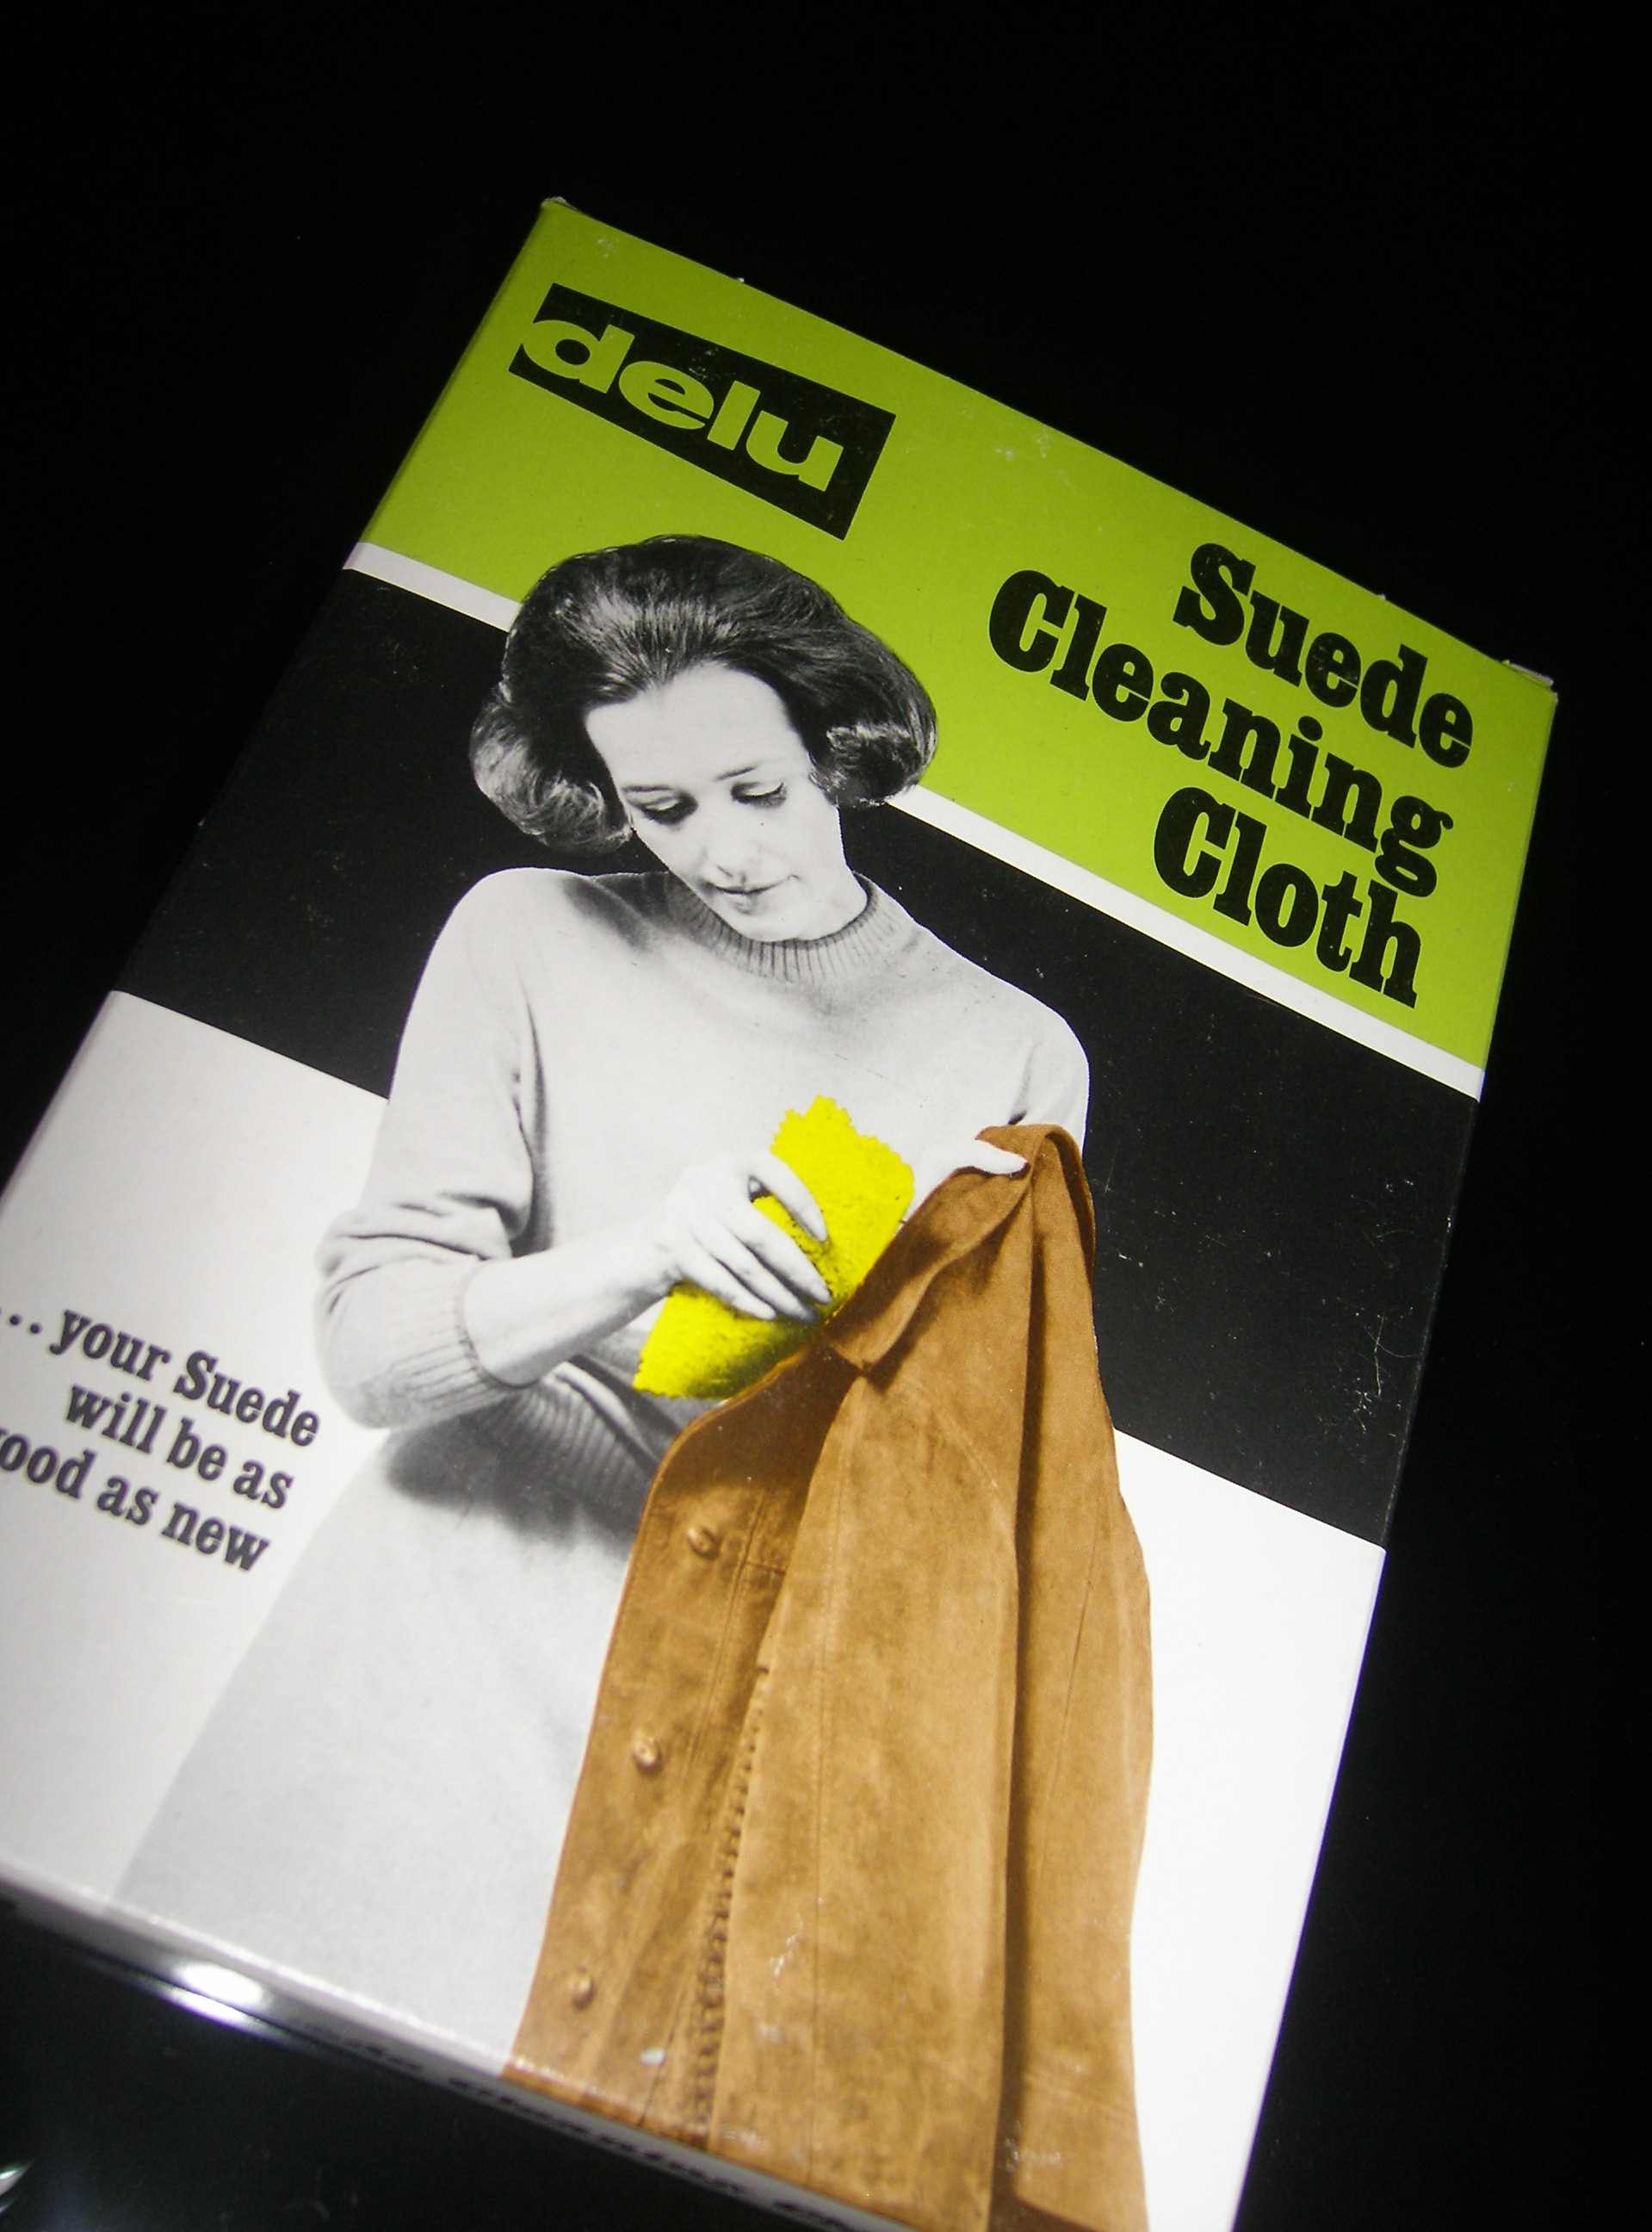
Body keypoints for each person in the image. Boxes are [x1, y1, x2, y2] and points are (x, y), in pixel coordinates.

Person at [118, 534, 1090, 2056]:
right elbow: (371, 1349)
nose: (723, 851)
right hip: (408, 1650)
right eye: (663, 808)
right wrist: (645, 1250)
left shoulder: (1016, 1052)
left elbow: (966, 1487)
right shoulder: (527, 932)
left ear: (833, 747)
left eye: (756, 791)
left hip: (708, 1703)